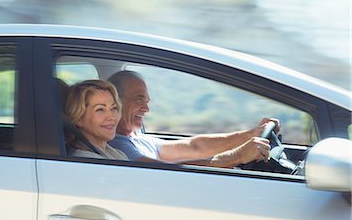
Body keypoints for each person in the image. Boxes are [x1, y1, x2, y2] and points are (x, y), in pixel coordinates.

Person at [108, 71, 279, 168]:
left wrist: (250, 134)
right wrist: (238, 156)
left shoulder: (137, 138)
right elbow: (164, 170)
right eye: (139, 100)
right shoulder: (118, 145)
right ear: (116, 101)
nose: (146, 109)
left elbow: (194, 147)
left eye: (147, 102)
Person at [64, 79, 128, 160]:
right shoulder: (87, 159)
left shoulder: (117, 153)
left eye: (114, 108)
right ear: (79, 118)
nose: (112, 117)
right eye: (100, 109)